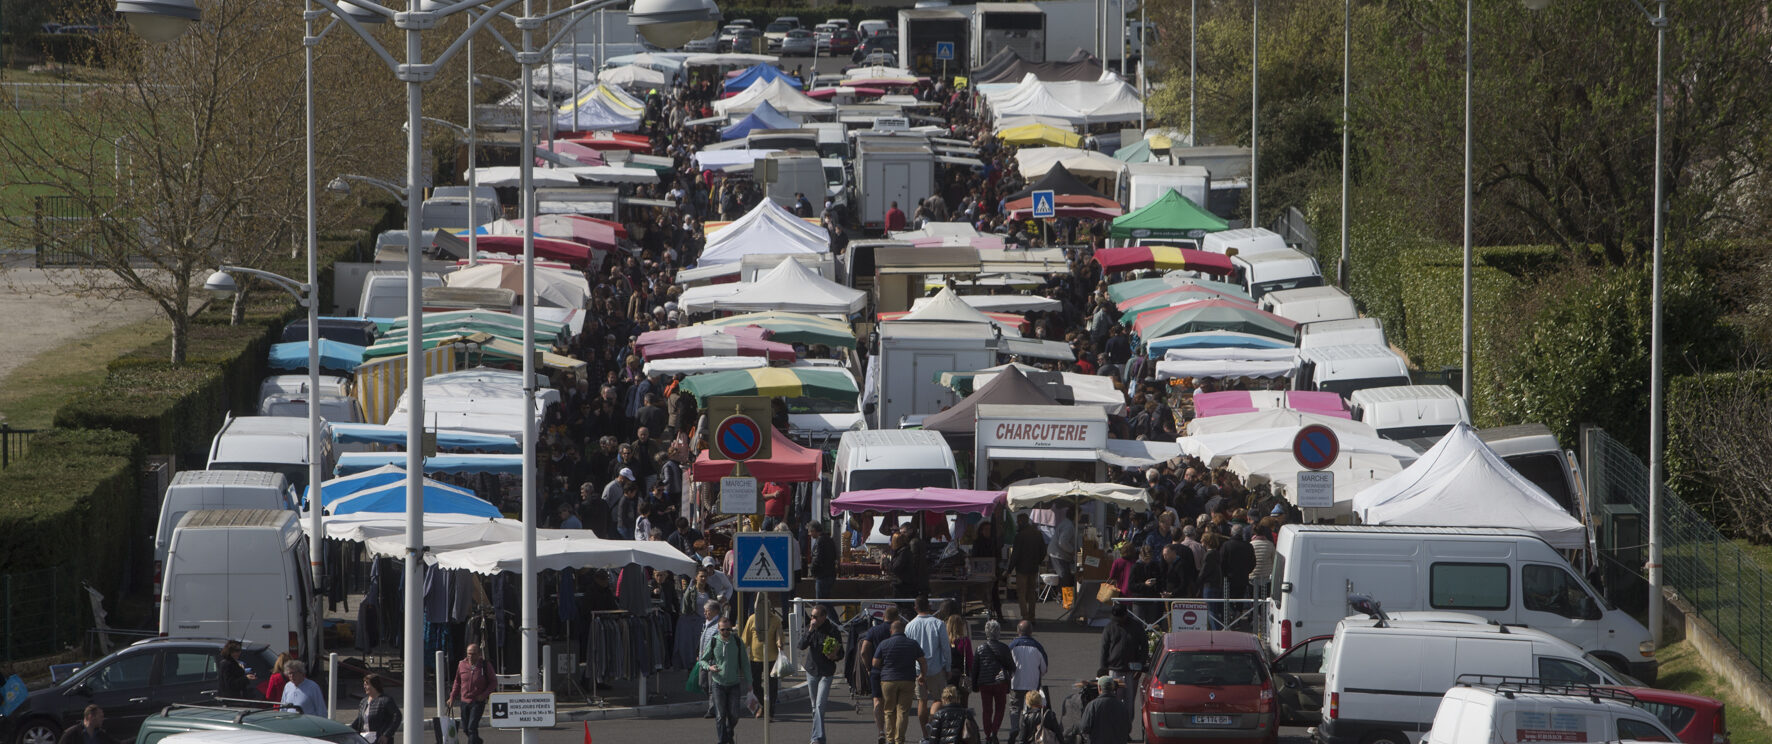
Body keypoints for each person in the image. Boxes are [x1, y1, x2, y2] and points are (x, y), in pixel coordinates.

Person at [905, 596, 952, 739]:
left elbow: (908, 650)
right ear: (930, 606)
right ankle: (932, 723)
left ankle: (925, 736)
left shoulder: (910, 626)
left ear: (915, 608)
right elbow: (946, 648)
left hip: (918, 670)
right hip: (936, 668)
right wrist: (948, 667)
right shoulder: (938, 624)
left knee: (921, 701)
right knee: (939, 699)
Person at [872, 620, 927, 744]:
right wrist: (922, 675)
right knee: (903, 711)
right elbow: (923, 661)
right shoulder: (912, 644)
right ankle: (899, 739)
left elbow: (875, 663)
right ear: (904, 631)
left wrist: (884, 669)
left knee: (889, 711)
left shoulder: (884, 644)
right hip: (907, 680)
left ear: (891, 631)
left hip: (888, 681)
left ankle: (890, 739)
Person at [798, 604, 845, 744]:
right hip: (812, 671)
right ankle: (820, 738)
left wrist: (834, 656)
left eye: (815, 617)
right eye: (811, 616)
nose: (813, 619)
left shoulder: (832, 630)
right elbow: (801, 645)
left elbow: (841, 653)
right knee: (814, 707)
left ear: (824, 617)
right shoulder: (811, 629)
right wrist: (810, 630)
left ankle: (815, 739)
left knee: (819, 705)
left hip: (826, 672)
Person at [700, 617, 751, 744]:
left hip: (734, 684)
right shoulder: (713, 641)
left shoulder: (737, 642)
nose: (726, 632)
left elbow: (745, 664)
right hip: (718, 684)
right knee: (720, 716)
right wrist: (709, 667)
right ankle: (722, 741)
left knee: (734, 715)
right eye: (723, 630)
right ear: (718, 629)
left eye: (728, 629)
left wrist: (750, 682)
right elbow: (702, 660)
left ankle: (728, 733)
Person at [968, 620, 1016, 744]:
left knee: (987, 710)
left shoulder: (980, 648)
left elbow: (975, 669)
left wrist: (974, 686)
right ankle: (994, 732)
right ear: (998, 632)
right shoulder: (1004, 648)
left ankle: (988, 735)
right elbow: (1012, 666)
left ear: (986, 632)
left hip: (984, 684)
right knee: (1000, 709)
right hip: (1000, 683)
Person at [861, 607, 902, 744]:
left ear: (883, 616)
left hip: (877, 670)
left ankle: (881, 731)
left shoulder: (874, 630)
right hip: (895, 671)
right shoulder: (900, 630)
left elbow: (863, 650)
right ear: (897, 617)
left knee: (877, 701)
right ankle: (895, 731)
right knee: (894, 703)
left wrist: (868, 667)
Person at [742, 603, 784, 720]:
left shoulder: (775, 620)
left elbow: (780, 637)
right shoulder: (752, 619)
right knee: (755, 685)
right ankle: (764, 707)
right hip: (755, 658)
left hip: (771, 658)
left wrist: (780, 642)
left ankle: (770, 713)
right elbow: (745, 639)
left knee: (772, 687)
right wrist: (738, 655)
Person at [1005, 621, 1047, 735]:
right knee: (1031, 709)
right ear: (1031, 632)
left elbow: (1006, 665)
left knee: (1014, 708)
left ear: (1018, 631)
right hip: (1032, 685)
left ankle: (1014, 728)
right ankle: (1027, 733)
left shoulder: (1012, 646)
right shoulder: (1037, 647)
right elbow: (1044, 668)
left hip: (1015, 684)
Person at [1097, 604, 1149, 698]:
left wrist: (1140, 666)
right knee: (1113, 699)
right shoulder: (1110, 627)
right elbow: (1104, 648)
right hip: (1114, 669)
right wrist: (1103, 669)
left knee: (1129, 700)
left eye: (1119, 618)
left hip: (1131, 671)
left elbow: (1145, 646)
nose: (1117, 621)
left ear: (1125, 615)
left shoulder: (1136, 626)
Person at [449, 643, 495, 744]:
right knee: (465, 728)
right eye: (468, 654)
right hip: (464, 701)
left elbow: (493, 682)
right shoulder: (461, 664)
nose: (470, 656)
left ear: (479, 654)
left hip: (477, 702)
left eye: (473, 654)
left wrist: (484, 695)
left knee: (472, 728)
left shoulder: (485, 665)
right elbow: (457, 681)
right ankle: (478, 741)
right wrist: (452, 697)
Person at [1007, 514, 1046, 623]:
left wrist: (1009, 569)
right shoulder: (1037, 534)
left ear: (1020, 522)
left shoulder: (1020, 536)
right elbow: (1043, 551)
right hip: (1033, 567)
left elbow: (1015, 555)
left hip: (1022, 568)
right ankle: (1032, 616)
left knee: (1022, 593)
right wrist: (1037, 561)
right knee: (1032, 593)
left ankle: (1025, 616)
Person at [1078, 677, 1131, 744]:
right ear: (1113, 688)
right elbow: (1128, 728)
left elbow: (1084, 728)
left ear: (1099, 688)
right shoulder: (1122, 706)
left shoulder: (1092, 705)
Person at [351, 675, 400, 743]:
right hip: (364, 738)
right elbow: (359, 720)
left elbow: (397, 717)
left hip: (379, 739)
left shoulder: (385, 700)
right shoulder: (363, 701)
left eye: (367, 684)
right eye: (364, 684)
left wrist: (386, 735)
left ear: (375, 685)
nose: (364, 687)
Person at [970, 521, 1003, 618]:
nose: (988, 532)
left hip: (993, 573)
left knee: (994, 594)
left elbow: (998, 556)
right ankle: (989, 610)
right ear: (981, 531)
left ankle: (999, 615)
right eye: (986, 529)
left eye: (990, 530)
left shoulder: (994, 542)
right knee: (982, 593)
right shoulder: (977, 542)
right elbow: (974, 557)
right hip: (980, 573)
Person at [808, 521, 839, 610]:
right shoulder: (829, 539)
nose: (810, 534)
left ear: (814, 530)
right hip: (830, 574)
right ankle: (832, 622)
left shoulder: (820, 541)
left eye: (810, 532)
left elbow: (817, 558)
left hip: (822, 575)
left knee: (821, 604)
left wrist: (812, 570)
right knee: (825, 602)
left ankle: (833, 622)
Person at [945, 613, 974, 704]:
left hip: (947, 674)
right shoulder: (965, 641)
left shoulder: (945, 641)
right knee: (963, 702)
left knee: (948, 701)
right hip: (962, 675)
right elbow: (970, 660)